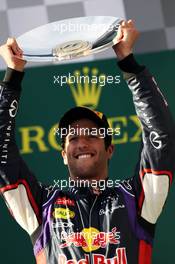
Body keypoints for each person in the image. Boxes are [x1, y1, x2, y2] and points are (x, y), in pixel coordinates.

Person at [0, 20, 174, 264]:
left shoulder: (136, 199)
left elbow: (161, 138)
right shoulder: (41, 208)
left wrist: (128, 62)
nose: (82, 143)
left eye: (93, 135)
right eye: (72, 137)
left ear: (109, 149)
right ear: (63, 153)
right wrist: (12, 75)